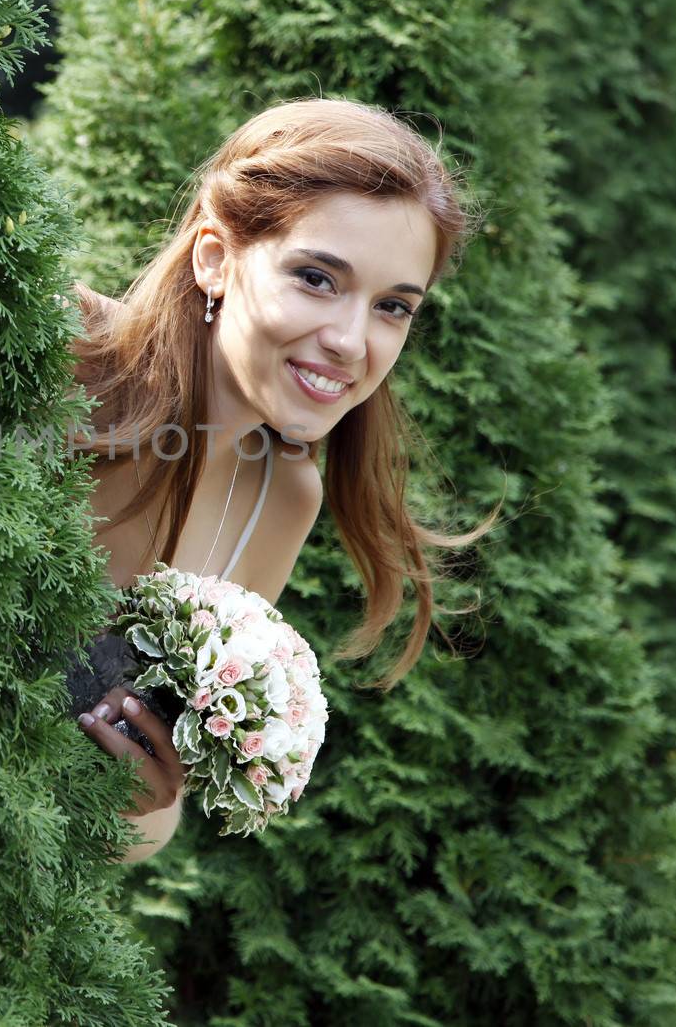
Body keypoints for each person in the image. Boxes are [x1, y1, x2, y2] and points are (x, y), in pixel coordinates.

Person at [61, 97, 501, 863]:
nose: (350, 341)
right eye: (318, 278)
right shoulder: (63, 352)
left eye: (393, 306)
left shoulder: (282, 500)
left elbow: (143, 831)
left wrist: (142, 798)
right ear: (215, 259)